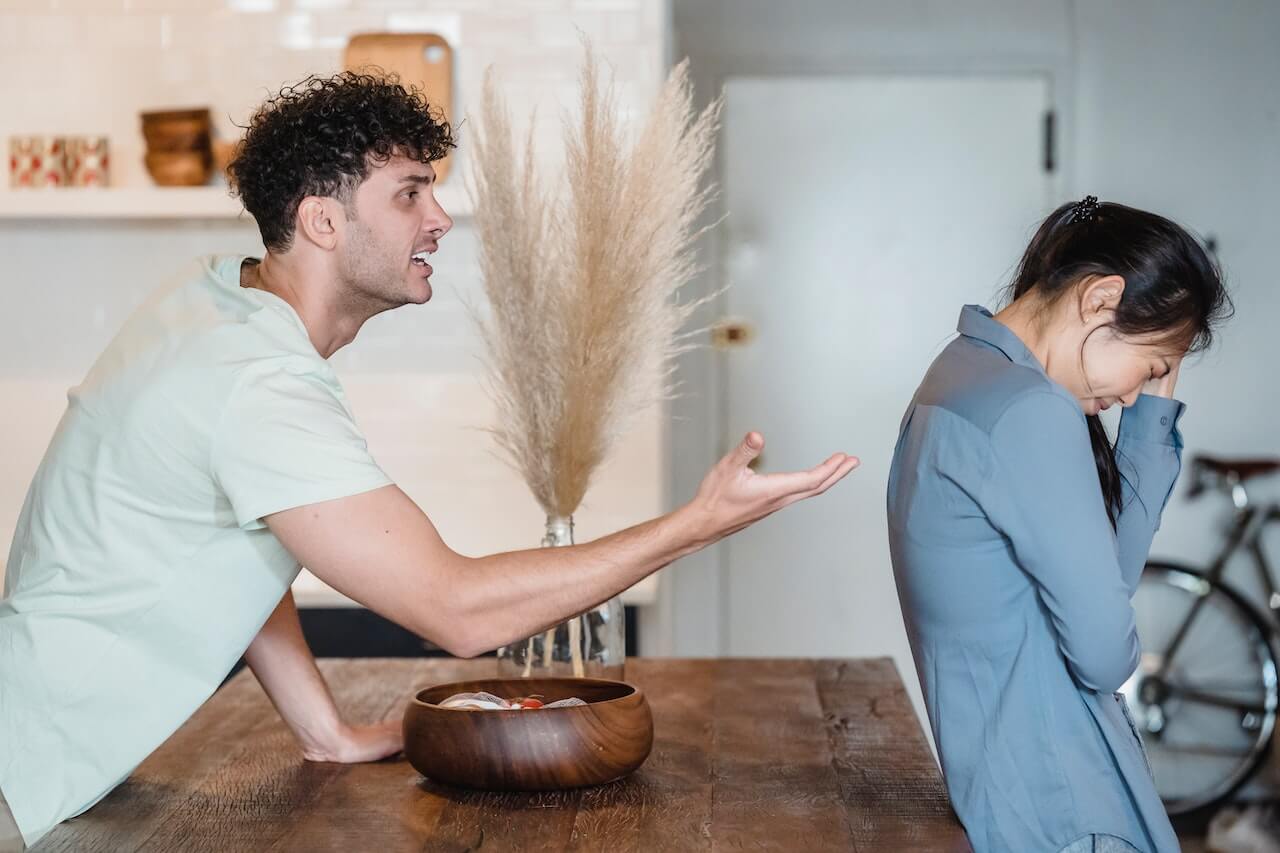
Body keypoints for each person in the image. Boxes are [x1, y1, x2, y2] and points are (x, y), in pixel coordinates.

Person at [0, 73, 860, 851]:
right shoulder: (256, 381)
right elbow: (458, 611)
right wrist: (696, 525)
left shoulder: (215, 298)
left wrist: (325, 731)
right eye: (410, 193)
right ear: (323, 221)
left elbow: (245, 539)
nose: (440, 218)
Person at [887, 196, 1230, 852]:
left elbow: (1101, 586)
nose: (1134, 395)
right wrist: (1148, 432)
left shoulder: (956, 374)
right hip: (1066, 806)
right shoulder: (1030, 410)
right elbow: (1104, 653)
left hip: (1008, 797)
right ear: (1100, 298)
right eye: (1154, 367)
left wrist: (1148, 418)